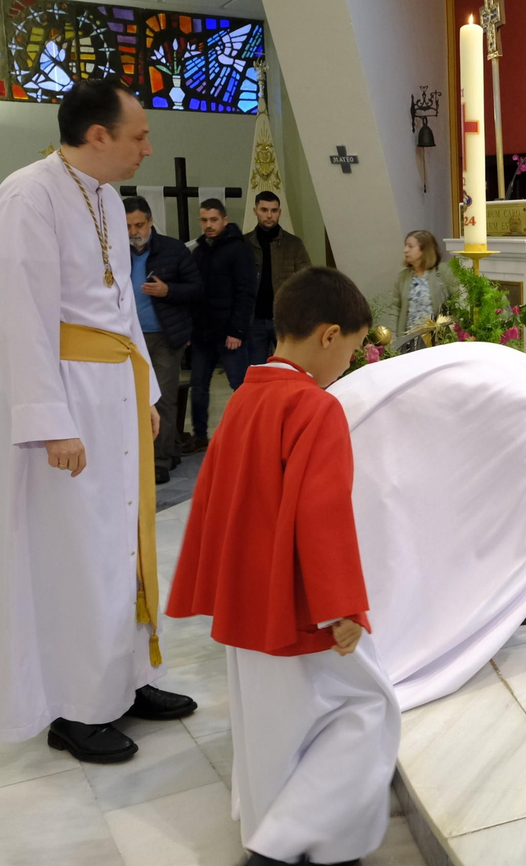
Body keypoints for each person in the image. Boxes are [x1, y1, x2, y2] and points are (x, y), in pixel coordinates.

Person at [0, 78, 196, 760]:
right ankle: (77, 705)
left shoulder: (104, 197)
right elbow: (22, 318)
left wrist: (150, 396)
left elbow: (120, 307)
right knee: (73, 551)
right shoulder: (27, 196)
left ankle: (124, 680)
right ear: (97, 135)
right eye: (138, 136)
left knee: (119, 542)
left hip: (111, 392)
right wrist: (51, 422)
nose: (146, 149)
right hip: (62, 397)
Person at [167, 268, 397, 866]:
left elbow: (218, 498)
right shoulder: (313, 407)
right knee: (368, 711)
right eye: (350, 350)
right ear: (328, 336)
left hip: (247, 600)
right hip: (297, 604)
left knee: (271, 731)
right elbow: (323, 516)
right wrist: (342, 605)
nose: (346, 364)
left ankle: (276, 832)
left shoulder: (245, 394)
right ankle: (286, 848)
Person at [328, 324, 526, 710]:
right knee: (392, 562)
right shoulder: (523, 400)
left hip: (351, 415)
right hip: (362, 455)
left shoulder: (506, 362)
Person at [124, 196, 202, 483]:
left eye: (139, 224)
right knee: (131, 399)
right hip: (129, 339)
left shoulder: (172, 249)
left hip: (165, 337)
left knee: (163, 398)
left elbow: (196, 289)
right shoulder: (116, 251)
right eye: (128, 226)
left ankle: (161, 459)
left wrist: (168, 290)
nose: (134, 231)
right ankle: (141, 453)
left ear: (151, 220)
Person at [186, 197, 256, 452]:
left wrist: (236, 330)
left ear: (224, 220)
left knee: (239, 386)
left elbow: (246, 292)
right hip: (203, 332)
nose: (209, 225)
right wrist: (190, 330)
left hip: (230, 333)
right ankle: (200, 435)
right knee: (199, 386)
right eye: (204, 220)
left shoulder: (238, 249)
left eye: (214, 220)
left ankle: (245, 434)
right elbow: (194, 294)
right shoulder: (199, 252)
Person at [242, 191, 312, 366]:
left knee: (291, 368)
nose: (269, 215)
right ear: (255, 210)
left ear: (279, 212)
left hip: (284, 320)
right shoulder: (243, 244)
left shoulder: (294, 244)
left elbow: (307, 282)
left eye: (273, 210)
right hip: (254, 320)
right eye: (264, 210)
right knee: (256, 372)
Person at [392, 229, 458, 351]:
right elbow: (394, 309)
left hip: (438, 343)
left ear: (424, 250)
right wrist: (392, 337)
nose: (405, 250)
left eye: (410, 246)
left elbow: (459, 299)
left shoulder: (443, 272)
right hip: (409, 344)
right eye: (405, 246)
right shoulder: (403, 277)